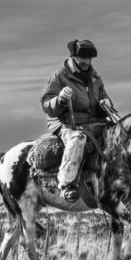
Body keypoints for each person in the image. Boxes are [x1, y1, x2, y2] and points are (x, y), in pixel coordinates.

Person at [40, 39, 116, 202]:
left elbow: (103, 96)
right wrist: (60, 99)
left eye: (90, 59)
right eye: (83, 58)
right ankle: (67, 184)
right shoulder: (59, 76)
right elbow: (46, 106)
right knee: (77, 139)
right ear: (74, 57)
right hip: (65, 122)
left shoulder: (95, 77)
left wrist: (106, 103)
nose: (87, 62)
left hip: (93, 121)